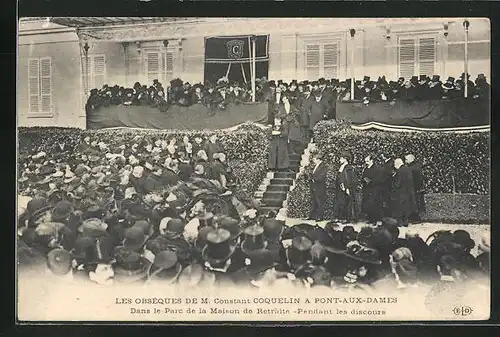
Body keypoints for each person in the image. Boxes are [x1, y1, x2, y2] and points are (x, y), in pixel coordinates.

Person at [390, 158, 417, 227]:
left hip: (400, 193)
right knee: (406, 208)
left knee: (399, 209)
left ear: (397, 164)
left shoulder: (399, 171)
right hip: (407, 192)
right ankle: (406, 222)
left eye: (395, 164)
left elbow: (397, 184)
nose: (394, 166)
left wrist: (393, 179)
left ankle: (400, 223)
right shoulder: (407, 169)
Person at [361, 155, 384, 223]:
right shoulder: (366, 168)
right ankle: (370, 218)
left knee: (374, 204)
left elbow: (379, 179)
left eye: (367, 161)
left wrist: (370, 182)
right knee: (368, 204)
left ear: (372, 160)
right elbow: (363, 177)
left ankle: (375, 220)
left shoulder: (378, 168)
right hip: (367, 189)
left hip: (374, 190)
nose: (366, 163)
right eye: (365, 161)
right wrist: (364, 180)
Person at [334, 151, 355, 223]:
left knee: (346, 203)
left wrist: (347, 188)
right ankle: (341, 217)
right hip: (340, 187)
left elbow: (349, 179)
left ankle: (346, 218)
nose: (339, 159)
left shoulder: (349, 168)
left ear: (345, 159)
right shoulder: (342, 167)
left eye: (341, 158)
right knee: (340, 202)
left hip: (345, 188)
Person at [306, 152, 327, 221]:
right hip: (313, 186)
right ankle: (312, 216)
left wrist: (313, 179)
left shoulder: (323, 166)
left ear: (318, 159)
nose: (313, 160)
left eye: (314, 159)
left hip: (319, 187)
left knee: (319, 202)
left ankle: (320, 217)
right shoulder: (315, 166)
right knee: (313, 201)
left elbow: (322, 176)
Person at [405, 154, 425, 222]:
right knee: (415, 203)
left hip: (414, 188)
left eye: (407, 159)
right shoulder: (416, 166)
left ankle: (415, 218)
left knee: (414, 203)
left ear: (411, 159)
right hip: (417, 188)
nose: (405, 161)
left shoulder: (411, 168)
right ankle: (414, 217)